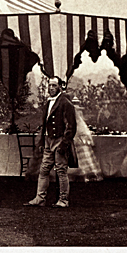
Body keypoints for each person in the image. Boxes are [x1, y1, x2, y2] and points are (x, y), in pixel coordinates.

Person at [25, 76, 77, 208]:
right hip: (49, 140)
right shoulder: (48, 103)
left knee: (61, 171)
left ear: (60, 87)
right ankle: (40, 198)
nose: (51, 88)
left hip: (59, 140)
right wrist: (42, 142)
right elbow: (45, 124)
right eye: (50, 85)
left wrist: (64, 144)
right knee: (44, 170)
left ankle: (63, 200)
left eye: (54, 85)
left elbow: (71, 126)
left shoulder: (65, 103)